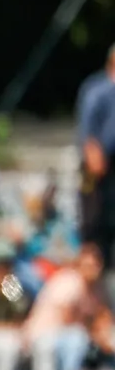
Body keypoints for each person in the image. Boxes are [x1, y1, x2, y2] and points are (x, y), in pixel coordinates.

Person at [76, 43, 115, 263]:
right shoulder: (98, 89)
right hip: (99, 165)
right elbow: (88, 132)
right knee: (94, 221)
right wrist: (94, 157)